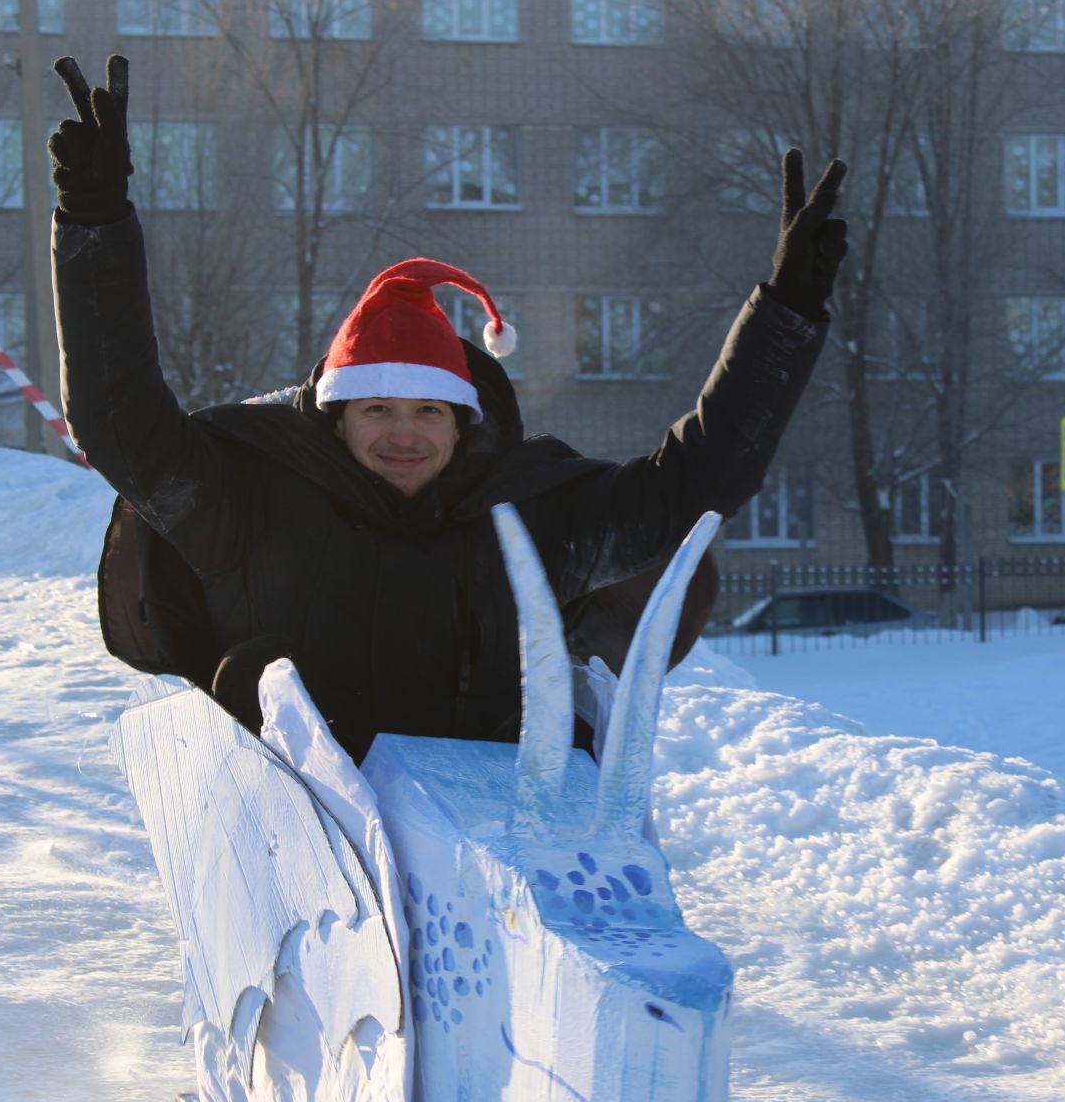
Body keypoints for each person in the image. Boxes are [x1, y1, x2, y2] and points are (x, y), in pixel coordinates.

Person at [46, 56, 848, 761]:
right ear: (336, 417)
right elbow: (122, 423)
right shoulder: (248, 500)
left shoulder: (528, 521)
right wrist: (95, 222)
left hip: (481, 875)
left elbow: (695, 485)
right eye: (378, 409)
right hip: (302, 870)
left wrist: (786, 312)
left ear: (462, 423)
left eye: (430, 412)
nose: (403, 434)